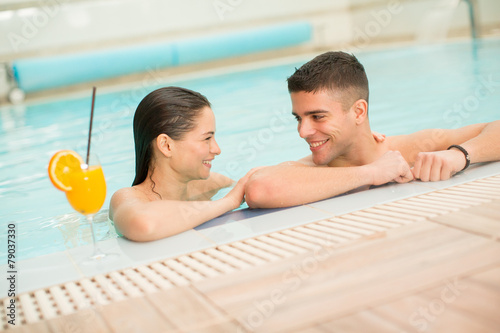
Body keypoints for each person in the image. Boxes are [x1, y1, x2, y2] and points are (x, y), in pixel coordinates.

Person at [245, 51, 500, 209]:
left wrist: (460, 155)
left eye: (317, 116)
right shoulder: (312, 172)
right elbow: (258, 189)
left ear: (358, 112)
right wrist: (370, 173)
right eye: (298, 118)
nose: (303, 131)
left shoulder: (411, 148)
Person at [110, 87, 257, 241]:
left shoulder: (211, 185)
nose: (217, 149)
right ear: (166, 145)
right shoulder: (127, 198)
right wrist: (227, 202)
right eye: (207, 138)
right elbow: (145, 224)